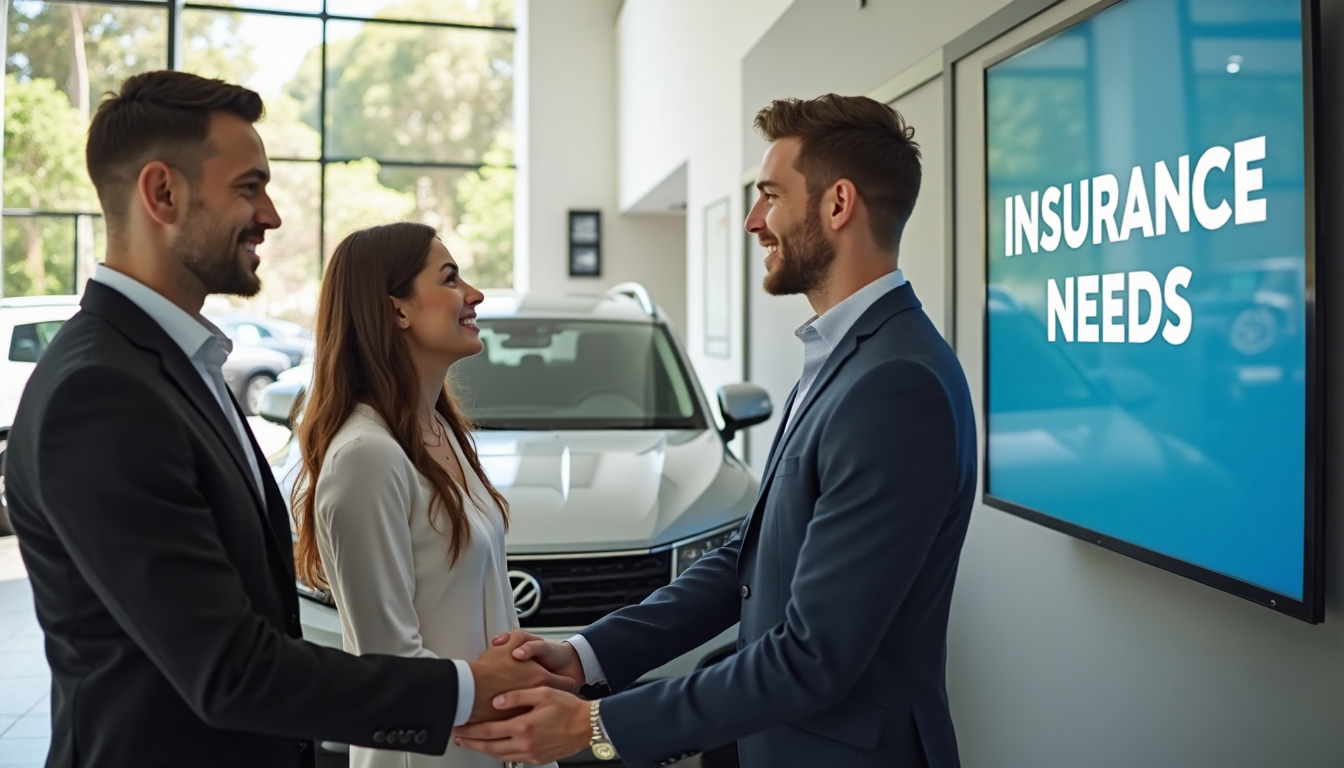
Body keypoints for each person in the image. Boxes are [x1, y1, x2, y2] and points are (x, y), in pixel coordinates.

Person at [4, 71, 564, 768]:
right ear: (162, 193)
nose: (271, 214)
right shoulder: (100, 392)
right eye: (249, 187)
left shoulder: (172, 366)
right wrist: (466, 689)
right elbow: (230, 669)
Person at [454, 94, 978, 768]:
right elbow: (749, 561)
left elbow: (813, 658)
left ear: (838, 204)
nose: (754, 221)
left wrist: (596, 727)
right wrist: (584, 657)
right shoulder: (848, 357)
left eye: (770, 196)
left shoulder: (894, 384)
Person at [291, 222, 558, 768]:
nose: (475, 295)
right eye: (451, 278)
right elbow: (388, 664)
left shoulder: (436, 431)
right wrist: (492, 686)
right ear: (396, 311)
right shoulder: (367, 456)